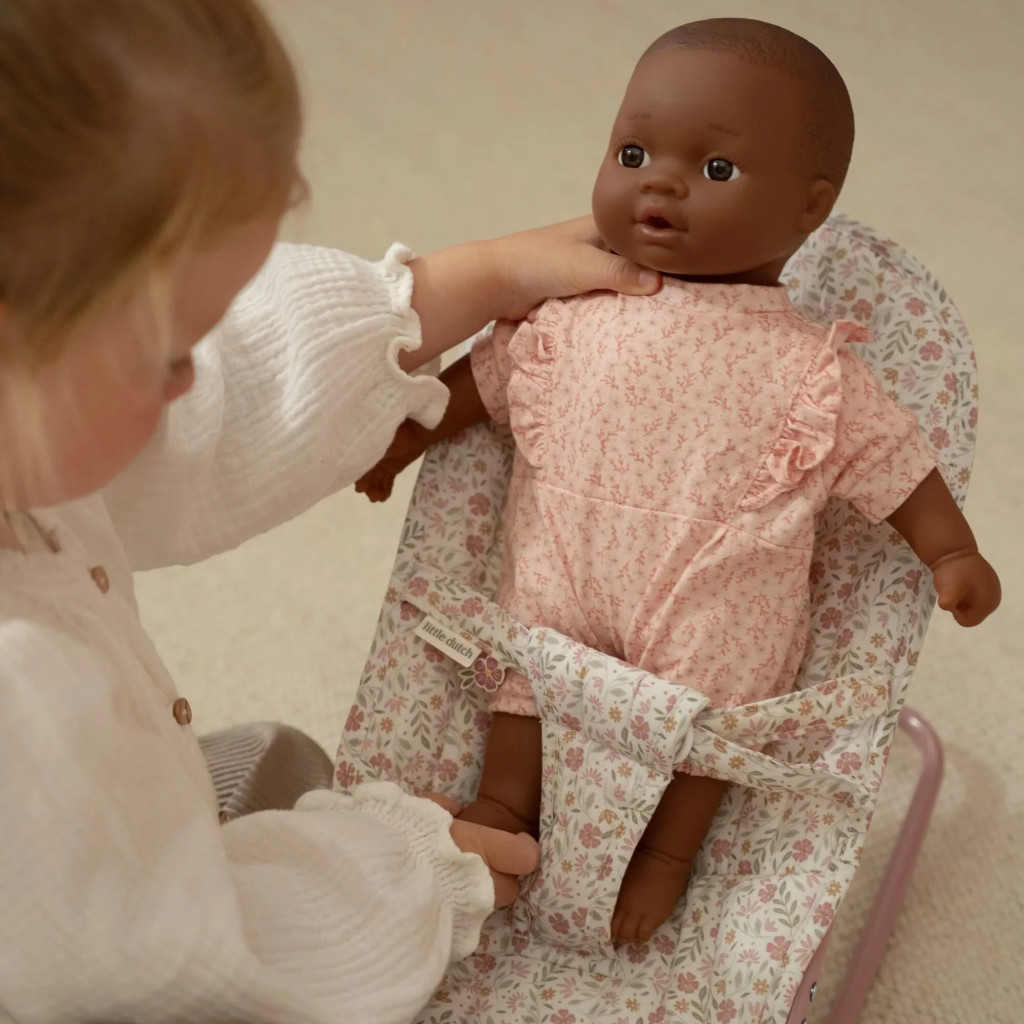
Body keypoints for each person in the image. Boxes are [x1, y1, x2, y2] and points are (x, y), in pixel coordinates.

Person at [0, 2, 662, 1022]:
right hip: (99, 964)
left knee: (263, 763)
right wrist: (409, 869)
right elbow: (179, 966)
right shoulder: (21, 706)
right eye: (168, 352)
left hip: (70, 891)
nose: (192, 377)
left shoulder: (29, 422)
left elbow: (229, 398)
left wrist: (464, 284)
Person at [356, 18, 1002, 946]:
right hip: (565, 558)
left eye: (717, 168)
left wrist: (951, 552)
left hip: (714, 589)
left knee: (718, 706)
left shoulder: (811, 365)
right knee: (524, 660)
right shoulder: (576, 306)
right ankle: (504, 797)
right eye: (633, 153)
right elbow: (484, 379)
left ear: (809, 210)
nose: (658, 181)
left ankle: (667, 848)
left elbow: (894, 462)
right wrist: (403, 439)